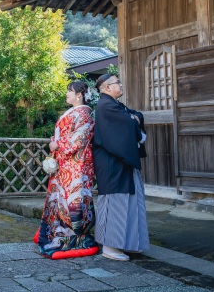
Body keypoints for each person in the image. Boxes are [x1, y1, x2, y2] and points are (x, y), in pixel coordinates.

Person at [36, 80, 98, 259]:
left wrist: (58, 143)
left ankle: (75, 236)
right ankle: (58, 232)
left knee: (73, 199)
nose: (67, 94)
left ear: (79, 95)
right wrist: (56, 142)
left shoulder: (85, 114)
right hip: (65, 162)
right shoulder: (75, 112)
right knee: (60, 198)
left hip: (76, 165)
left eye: (69, 91)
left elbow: (79, 139)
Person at [91, 73, 149, 261]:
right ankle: (110, 246)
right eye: (117, 83)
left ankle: (128, 243)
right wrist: (133, 120)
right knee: (115, 203)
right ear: (107, 87)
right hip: (112, 164)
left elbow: (135, 116)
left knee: (130, 202)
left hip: (121, 162)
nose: (121, 85)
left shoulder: (114, 105)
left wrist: (133, 119)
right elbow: (129, 122)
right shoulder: (105, 107)